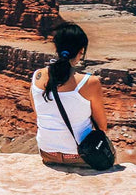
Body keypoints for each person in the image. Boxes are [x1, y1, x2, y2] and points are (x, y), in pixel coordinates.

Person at [31, 22, 108, 166]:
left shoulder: (37, 76)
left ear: (56, 48)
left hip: (48, 154)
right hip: (80, 156)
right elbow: (102, 126)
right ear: (81, 51)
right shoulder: (90, 82)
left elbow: (38, 112)